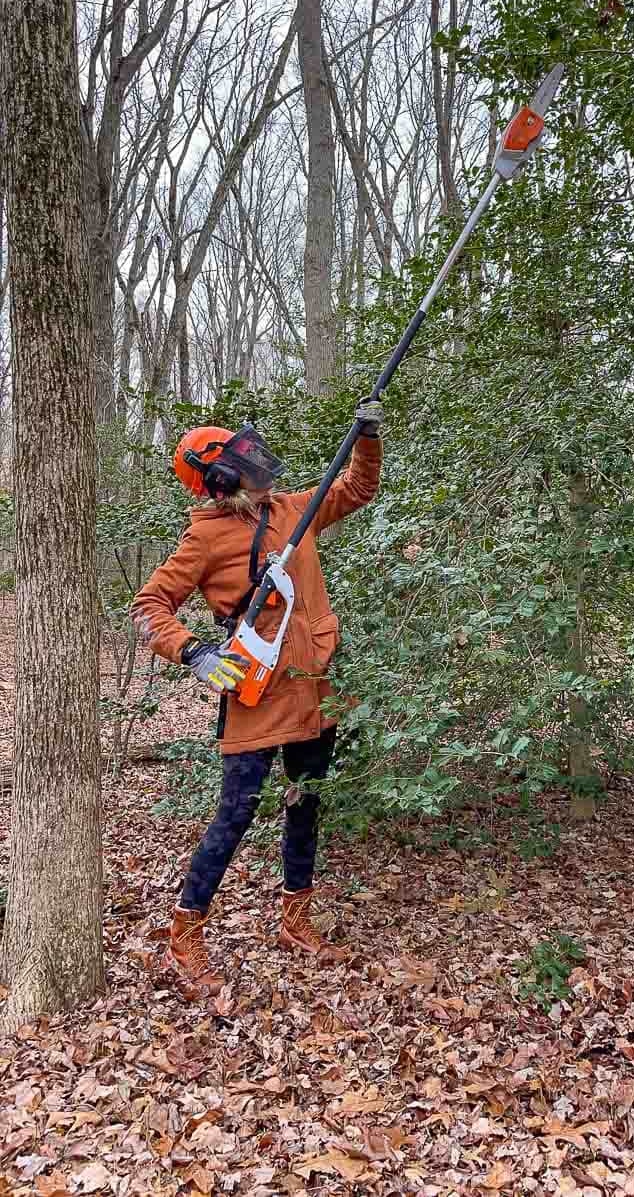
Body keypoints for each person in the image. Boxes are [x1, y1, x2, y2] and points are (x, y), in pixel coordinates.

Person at [131, 404, 383, 993]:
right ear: (219, 478)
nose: (254, 464)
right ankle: (185, 932)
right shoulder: (205, 536)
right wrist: (194, 652)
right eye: (238, 460)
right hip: (256, 692)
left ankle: (295, 920)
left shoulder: (292, 508)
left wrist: (366, 437)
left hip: (314, 688)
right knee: (237, 810)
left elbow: (358, 487)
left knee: (305, 800)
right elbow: (148, 607)